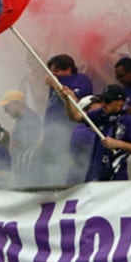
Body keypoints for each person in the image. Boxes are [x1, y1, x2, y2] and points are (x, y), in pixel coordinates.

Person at [62, 84, 131, 181]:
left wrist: (118, 144)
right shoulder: (101, 114)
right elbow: (76, 117)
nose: (103, 104)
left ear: (119, 102)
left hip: (115, 175)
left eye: (107, 101)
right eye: (103, 100)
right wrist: (68, 100)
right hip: (95, 173)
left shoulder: (129, 121)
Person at [42, 54, 93, 185]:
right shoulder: (56, 84)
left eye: (56, 71)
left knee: (67, 165)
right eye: (51, 71)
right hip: (51, 133)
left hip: (70, 131)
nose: (53, 74)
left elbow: (73, 101)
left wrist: (54, 84)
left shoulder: (81, 79)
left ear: (68, 68)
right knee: (50, 167)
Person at [0, 90, 42, 186]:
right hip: (23, 167)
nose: (5, 111)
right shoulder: (23, 119)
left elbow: (20, 144)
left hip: (28, 168)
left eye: (6, 107)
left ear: (16, 103)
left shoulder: (29, 119)